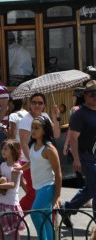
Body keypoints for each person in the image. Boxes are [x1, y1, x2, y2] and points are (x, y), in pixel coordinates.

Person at [16, 116, 62, 240]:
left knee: (35, 213)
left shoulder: (49, 148)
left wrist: (57, 195)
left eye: (37, 128)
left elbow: (58, 173)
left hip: (47, 187)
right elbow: (33, 162)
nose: (33, 130)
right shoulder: (32, 146)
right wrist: (20, 169)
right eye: (32, 127)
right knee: (46, 218)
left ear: (45, 130)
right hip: (38, 187)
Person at [59, 80, 96, 228]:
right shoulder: (80, 114)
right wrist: (76, 159)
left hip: (93, 154)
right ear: (85, 95)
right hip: (83, 155)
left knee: (90, 188)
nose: (95, 97)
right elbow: (73, 138)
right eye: (92, 94)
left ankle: (67, 209)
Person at [18, 93, 60, 212]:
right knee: (32, 194)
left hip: (46, 161)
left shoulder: (45, 116)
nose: (37, 105)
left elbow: (56, 134)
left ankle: (49, 224)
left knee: (45, 195)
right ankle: (14, 218)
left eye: (40, 103)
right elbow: (24, 143)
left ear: (44, 105)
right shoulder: (26, 120)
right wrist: (33, 160)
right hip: (31, 162)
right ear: (29, 105)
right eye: (34, 102)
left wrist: (55, 117)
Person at [0, 139, 25, 240]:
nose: (3, 151)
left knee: (14, 232)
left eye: (6, 149)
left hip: (11, 204)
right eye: (2, 148)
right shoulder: (2, 165)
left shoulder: (16, 167)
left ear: (13, 151)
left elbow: (13, 184)